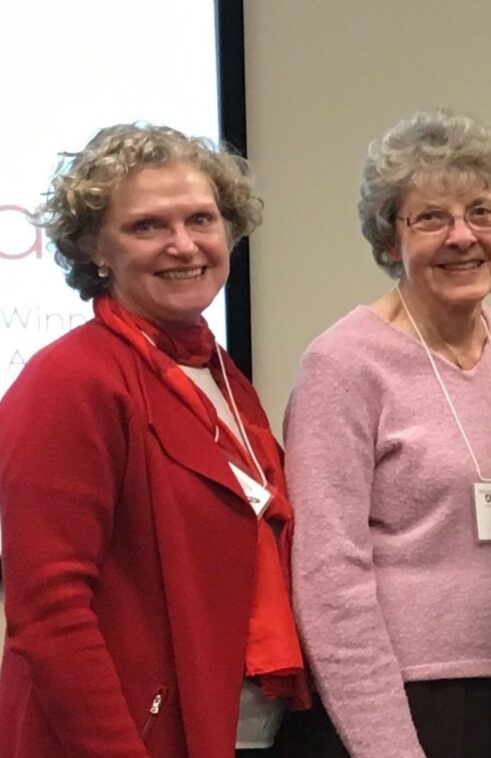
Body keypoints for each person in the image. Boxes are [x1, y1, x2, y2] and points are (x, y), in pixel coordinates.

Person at [0, 124, 311, 756]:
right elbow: (49, 613)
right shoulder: (70, 380)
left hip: (244, 726)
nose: (183, 245)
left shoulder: (217, 372)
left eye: (201, 219)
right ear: (95, 249)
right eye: (147, 226)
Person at [284, 109, 491, 758]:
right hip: (403, 703)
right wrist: (387, 746)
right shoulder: (343, 364)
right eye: (431, 218)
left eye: (482, 213)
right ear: (387, 240)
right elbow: (328, 576)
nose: (463, 236)